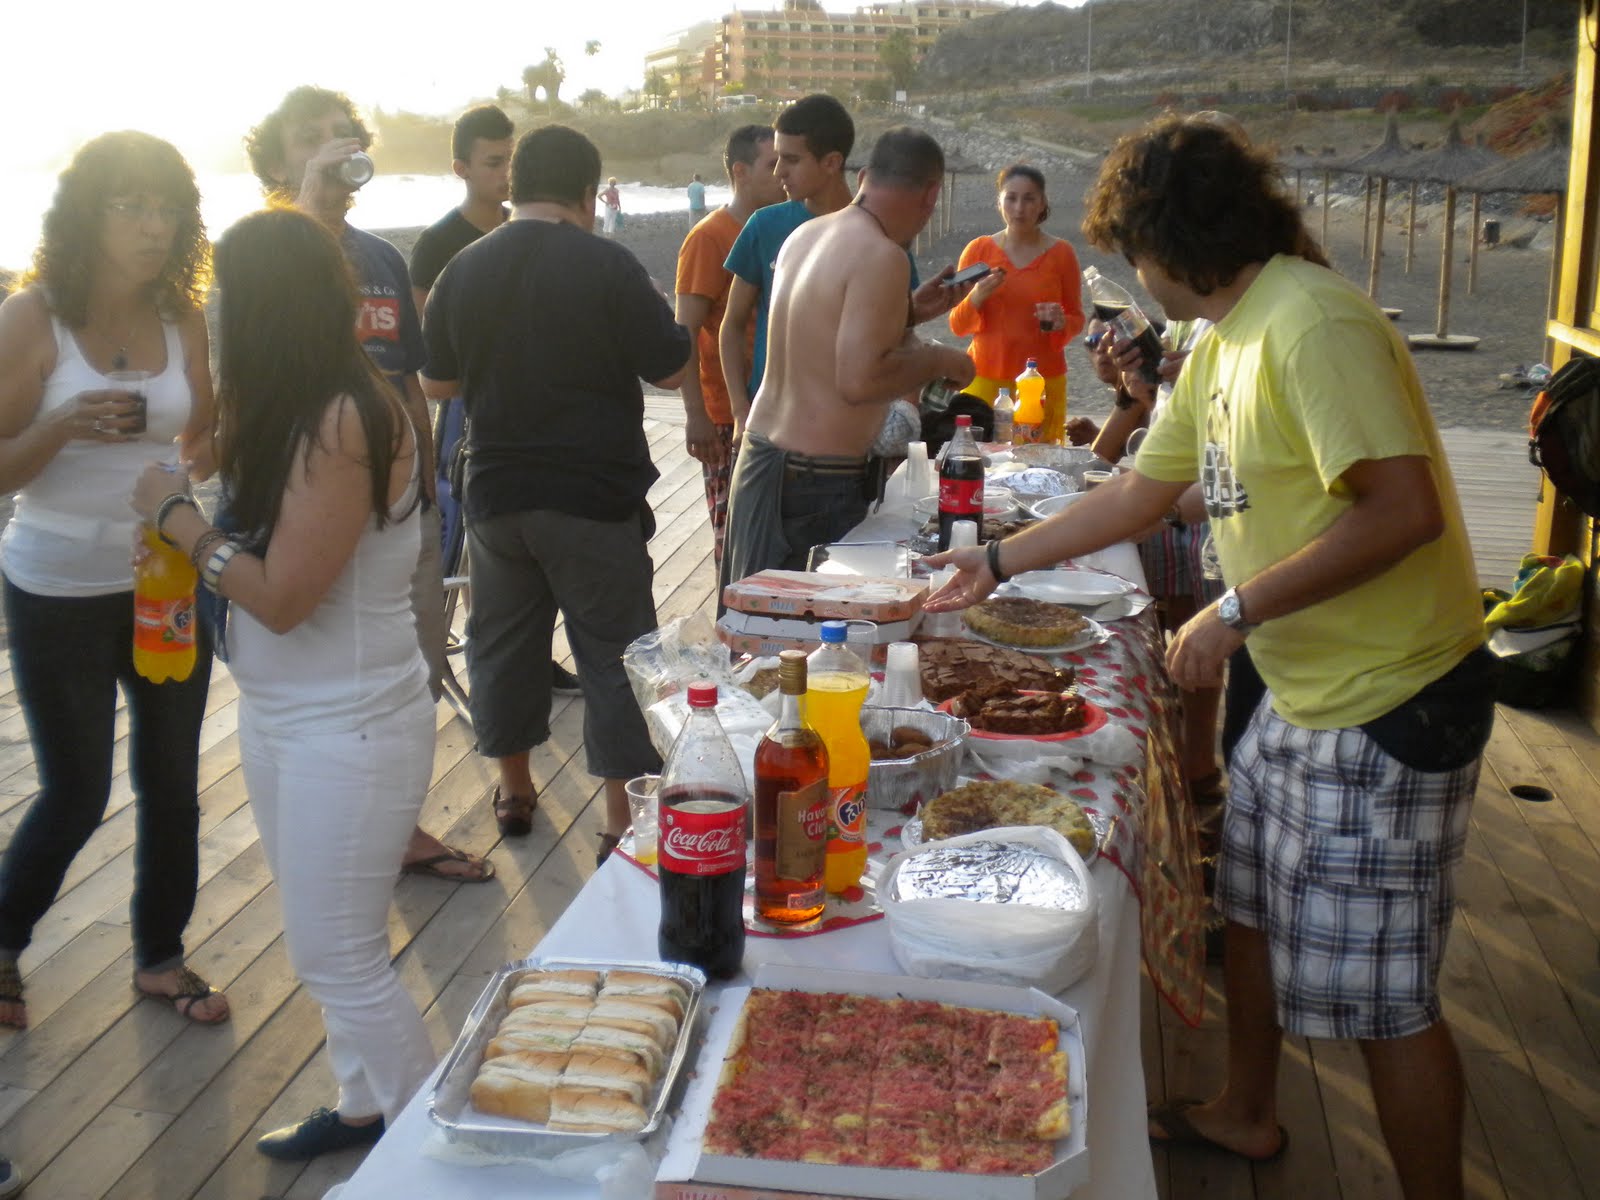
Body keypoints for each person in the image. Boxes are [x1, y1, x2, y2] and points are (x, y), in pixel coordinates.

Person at [926, 114, 1494, 1199]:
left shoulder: (1309, 324)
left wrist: (1234, 608)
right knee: (1253, 914)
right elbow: (1140, 493)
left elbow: (1402, 511)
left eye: (1133, 252)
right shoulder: (1228, 335)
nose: (1132, 277)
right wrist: (991, 564)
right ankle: (1243, 1110)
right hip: (1301, 683)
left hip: (1390, 696)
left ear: (1171, 242)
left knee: (1384, 1000)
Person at [132, 207, 437, 1159]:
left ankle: (436, 1147)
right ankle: (363, 1107)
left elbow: (285, 597)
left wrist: (183, 526)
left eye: (226, 311)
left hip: (348, 728)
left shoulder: (346, 418)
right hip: (286, 717)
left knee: (336, 956)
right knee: (331, 942)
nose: (217, 327)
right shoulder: (303, 404)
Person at [0, 132, 228, 1030]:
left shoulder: (185, 318)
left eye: (166, 206)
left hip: (165, 579)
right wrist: (64, 426)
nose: (150, 224)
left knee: (174, 778)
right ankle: (4, 941)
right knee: (77, 786)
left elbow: (199, 434)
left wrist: (204, 466)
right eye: (127, 204)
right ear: (84, 214)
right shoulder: (34, 316)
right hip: (56, 581)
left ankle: (161, 958)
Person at [420, 125, 689, 865]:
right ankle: (616, 820)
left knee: (501, 644)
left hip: (497, 494)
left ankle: (513, 791)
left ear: (514, 188)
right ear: (584, 193)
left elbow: (436, 383)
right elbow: (669, 367)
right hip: (591, 496)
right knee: (612, 654)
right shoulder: (607, 264)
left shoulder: (463, 268)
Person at [245, 85, 491, 882]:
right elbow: (241, 387)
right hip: (301, 505)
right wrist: (310, 203)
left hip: (393, 509)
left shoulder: (382, 259)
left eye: (343, 134)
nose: (333, 145)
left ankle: (399, 826)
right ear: (277, 158)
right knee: (323, 684)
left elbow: (410, 380)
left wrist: (425, 489)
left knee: (408, 665)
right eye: (309, 137)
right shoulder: (260, 253)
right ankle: (335, 841)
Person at [719, 127, 976, 589]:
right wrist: (942, 360)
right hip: (811, 483)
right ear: (930, 194)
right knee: (808, 649)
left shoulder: (806, 234)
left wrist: (909, 311)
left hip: (763, 463)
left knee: (758, 637)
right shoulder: (883, 255)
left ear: (864, 177)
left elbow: (819, 335)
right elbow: (858, 380)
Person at [409, 104, 582, 702]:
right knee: (488, 550)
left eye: (511, 159)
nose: (505, 173)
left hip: (548, 405)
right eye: (492, 162)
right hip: (469, 414)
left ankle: (537, 656)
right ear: (460, 168)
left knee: (547, 538)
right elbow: (433, 355)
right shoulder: (439, 244)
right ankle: (502, 669)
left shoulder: (539, 227)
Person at [674, 124, 784, 570]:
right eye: (772, 164)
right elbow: (684, 330)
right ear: (741, 171)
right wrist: (696, 415)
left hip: (776, 407)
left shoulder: (779, 227)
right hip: (725, 414)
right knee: (734, 534)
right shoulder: (710, 237)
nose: (783, 174)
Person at [719, 94, 856, 441]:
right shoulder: (765, 225)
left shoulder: (873, 231)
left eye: (791, 160)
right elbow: (732, 326)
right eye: (777, 159)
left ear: (831, 162)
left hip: (848, 431)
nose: (779, 171)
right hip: (770, 428)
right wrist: (740, 411)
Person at [947, 164, 1086, 442]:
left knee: (1038, 468)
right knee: (981, 463)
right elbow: (957, 325)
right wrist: (977, 296)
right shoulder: (979, 250)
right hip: (986, 375)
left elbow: (1077, 319)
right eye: (1011, 198)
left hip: (1040, 381)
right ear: (999, 201)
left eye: (1029, 198)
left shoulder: (1062, 254)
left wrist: (1061, 322)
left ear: (1042, 203)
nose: (1019, 208)